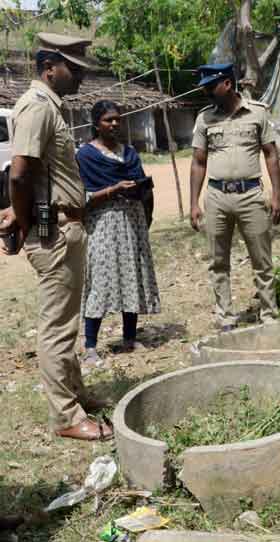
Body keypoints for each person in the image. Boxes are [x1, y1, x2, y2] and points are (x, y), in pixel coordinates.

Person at [0, 33, 112, 441]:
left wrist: (20, 210)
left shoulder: (51, 108)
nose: (80, 75)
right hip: (54, 230)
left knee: (67, 318)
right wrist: (26, 218)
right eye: (74, 68)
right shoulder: (37, 108)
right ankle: (66, 416)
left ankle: (76, 391)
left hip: (63, 224)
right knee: (57, 327)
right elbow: (19, 172)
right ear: (50, 67)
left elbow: (36, 173)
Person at [189, 63, 280, 331]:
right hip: (216, 197)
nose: (206, 92)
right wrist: (194, 203)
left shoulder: (257, 114)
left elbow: (270, 154)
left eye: (210, 86)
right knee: (218, 262)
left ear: (227, 84)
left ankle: (268, 317)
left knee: (262, 261)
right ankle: (225, 317)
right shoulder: (204, 119)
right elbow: (198, 162)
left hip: (251, 195)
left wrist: (277, 195)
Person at [76, 100, 161, 365]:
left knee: (131, 275)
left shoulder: (130, 154)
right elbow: (81, 198)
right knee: (100, 280)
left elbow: (145, 188)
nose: (114, 124)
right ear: (96, 124)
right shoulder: (85, 156)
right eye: (108, 120)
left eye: (117, 119)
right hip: (103, 223)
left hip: (132, 220)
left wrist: (144, 208)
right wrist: (113, 190)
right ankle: (90, 346)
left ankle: (129, 338)